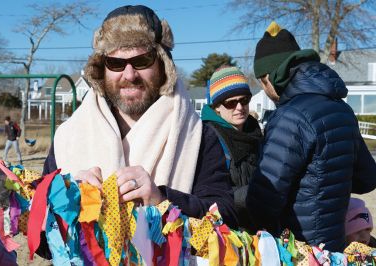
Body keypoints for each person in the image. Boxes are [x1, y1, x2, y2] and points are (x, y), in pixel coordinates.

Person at [43, 5, 238, 227]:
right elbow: (41, 242)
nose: (129, 75)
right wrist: (66, 199)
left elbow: (227, 218)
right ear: (101, 69)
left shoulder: (198, 136)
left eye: (142, 61)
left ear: (163, 64)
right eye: (115, 63)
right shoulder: (68, 136)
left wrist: (163, 201)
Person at [246, 21, 376, 252]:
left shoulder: (290, 116)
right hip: (333, 245)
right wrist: (326, 181)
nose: (265, 90)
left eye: (263, 82)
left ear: (271, 76)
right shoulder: (342, 110)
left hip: (298, 248)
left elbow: (265, 201)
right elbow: (367, 178)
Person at [201, 66, 262, 231]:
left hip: (259, 230)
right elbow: (210, 195)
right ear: (217, 107)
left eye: (244, 100)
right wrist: (256, 193)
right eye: (231, 103)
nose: (240, 107)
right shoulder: (208, 138)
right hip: (229, 234)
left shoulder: (256, 133)